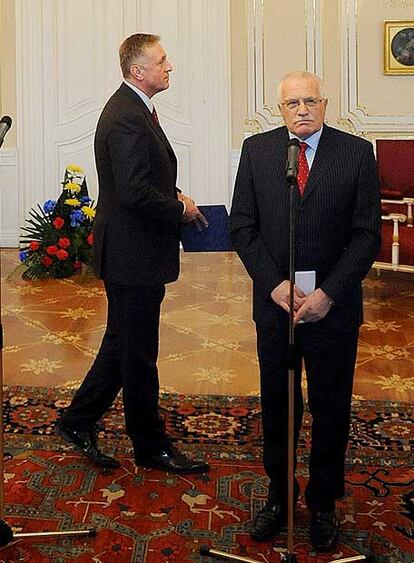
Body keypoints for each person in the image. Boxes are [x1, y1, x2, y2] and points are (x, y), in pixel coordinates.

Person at [230, 71, 381, 552]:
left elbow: (366, 235)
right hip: (275, 306)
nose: (301, 110)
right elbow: (242, 227)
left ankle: (323, 503)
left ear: (325, 104)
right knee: (279, 405)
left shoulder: (356, 154)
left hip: (332, 309)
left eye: (309, 101)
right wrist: (274, 285)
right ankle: (279, 495)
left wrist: (329, 294)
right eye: (292, 103)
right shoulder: (257, 152)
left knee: (331, 405)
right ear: (280, 109)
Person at [56, 33, 209, 475]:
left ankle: (78, 420)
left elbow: (145, 177)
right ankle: (150, 445)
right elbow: (135, 192)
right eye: (162, 61)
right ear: (137, 71)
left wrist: (178, 193)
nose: (169, 67)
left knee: (123, 343)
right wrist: (180, 209)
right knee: (139, 353)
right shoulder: (126, 116)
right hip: (132, 253)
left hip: (134, 250)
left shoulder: (135, 109)